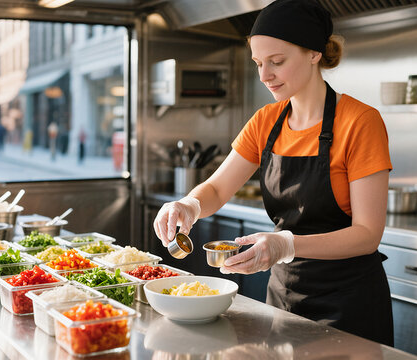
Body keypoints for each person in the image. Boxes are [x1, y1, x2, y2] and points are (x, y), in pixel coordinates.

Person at [153, 0, 393, 346]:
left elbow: (367, 234)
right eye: (258, 63)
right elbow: (218, 190)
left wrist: (285, 243)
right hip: (284, 296)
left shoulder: (360, 122)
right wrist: (188, 205)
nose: (265, 76)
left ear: (313, 53)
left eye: (277, 62)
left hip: (349, 302)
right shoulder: (266, 121)